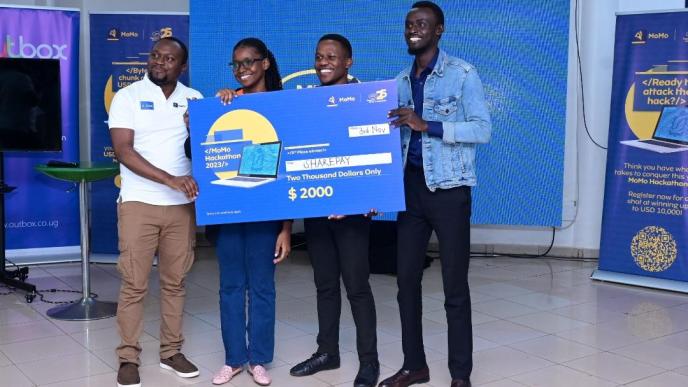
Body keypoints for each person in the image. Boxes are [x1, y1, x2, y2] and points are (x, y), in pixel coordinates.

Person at [381, 2, 491, 387]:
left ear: (439, 30)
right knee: (405, 282)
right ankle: (416, 366)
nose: (414, 29)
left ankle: (461, 374)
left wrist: (427, 124)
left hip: (448, 191)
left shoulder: (462, 74)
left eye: (423, 24)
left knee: (454, 287)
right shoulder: (396, 83)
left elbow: (481, 129)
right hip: (410, 192)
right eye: (410, 24)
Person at [109, 37, 202, 387]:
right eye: (156, 55)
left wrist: (204, 123)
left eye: (169, 58)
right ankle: (128, 356)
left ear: (182, 66)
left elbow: (208, 149)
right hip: (139, 204)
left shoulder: (193, 100)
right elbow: (123, 150)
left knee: (175, 283)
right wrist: (170, 179)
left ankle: (170, 352)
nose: (160, 62)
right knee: (134, 284)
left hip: (181, 209)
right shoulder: (128, 97)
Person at [289, 34, 380, 387]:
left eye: (332, 56)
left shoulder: (368, 99)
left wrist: (369, 195)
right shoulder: (309, 100)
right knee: (324, 285)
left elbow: (378, 150)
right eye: (318, 56)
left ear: (348, 62)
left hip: (353, 214)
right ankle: (328, 352)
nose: (323, 62)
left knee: (357, 287)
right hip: (317, 209)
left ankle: (369, 362)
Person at [210, 37, 292, 386]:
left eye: (249, 62)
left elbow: (289, 170)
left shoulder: (282, 105)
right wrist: (211, 112)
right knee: (230, 286)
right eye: (237, 64)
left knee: (261, 287)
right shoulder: (227, 104)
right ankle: (233, 359)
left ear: (265, 64)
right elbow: (201, 148)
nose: (243, 69)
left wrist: (286, 228)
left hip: (265, 208)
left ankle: (258, 359)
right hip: (229, 207)